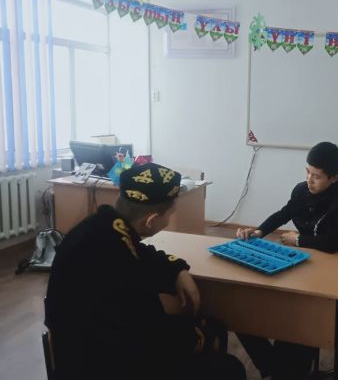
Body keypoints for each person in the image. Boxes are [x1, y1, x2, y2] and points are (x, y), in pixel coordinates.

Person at [45, 163, 245, 380]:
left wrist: (177, 270)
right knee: (229, 367)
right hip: (106, 364)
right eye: (169, 215)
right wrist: (201, 337)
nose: (168, 220)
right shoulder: (122, 265)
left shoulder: (100, 228)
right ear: (151, 220)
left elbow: (141, 253)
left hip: (78, 353)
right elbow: (151, 337)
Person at [236, 141, 338, 379]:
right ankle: (278, 368)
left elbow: (335, 242)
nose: (309, 180)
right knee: (251, 311)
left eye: (316, 176)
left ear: (334, 177)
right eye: (307, 172)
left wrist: (298, 240)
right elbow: (285, 213)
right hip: (302, 259)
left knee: (304, 319)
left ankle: (283, 368)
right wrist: (259, 231)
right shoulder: (301, 190)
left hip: (335, 261)